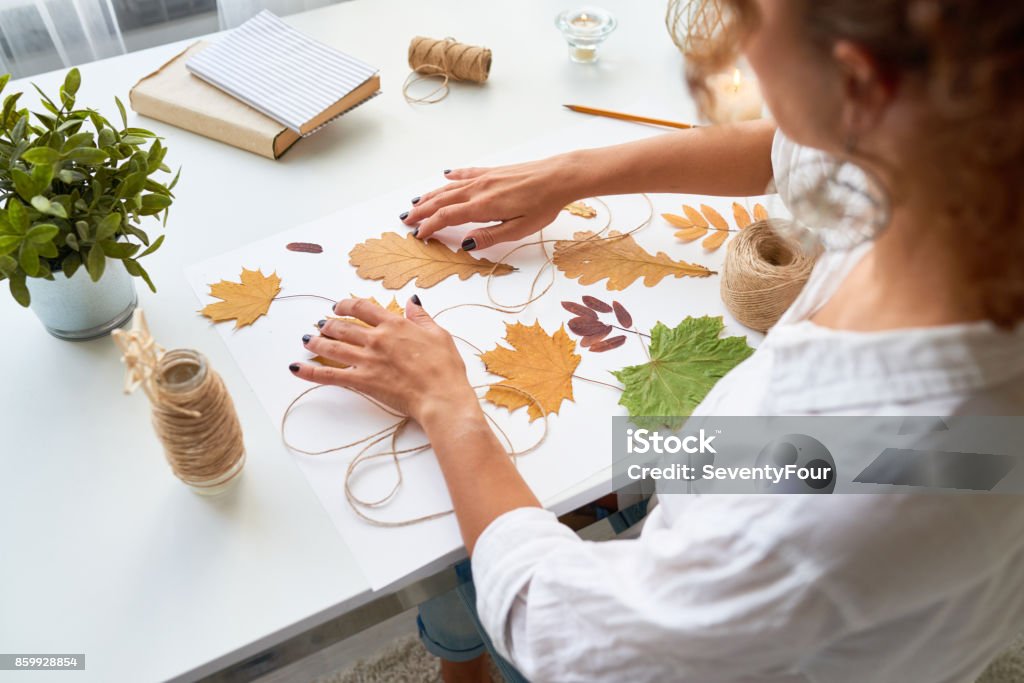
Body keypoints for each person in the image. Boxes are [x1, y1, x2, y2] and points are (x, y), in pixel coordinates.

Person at [288, 1, 1024, 680]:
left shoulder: (801, 512)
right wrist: (575, 173)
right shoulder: (965, 156)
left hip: (807, 589)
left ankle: (462, 631)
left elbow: (555, 624)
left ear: (858, 84)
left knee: (482, 558)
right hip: (880, 523)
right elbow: (799, 151)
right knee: (604, 458)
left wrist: (446, 404)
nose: (733, 39)